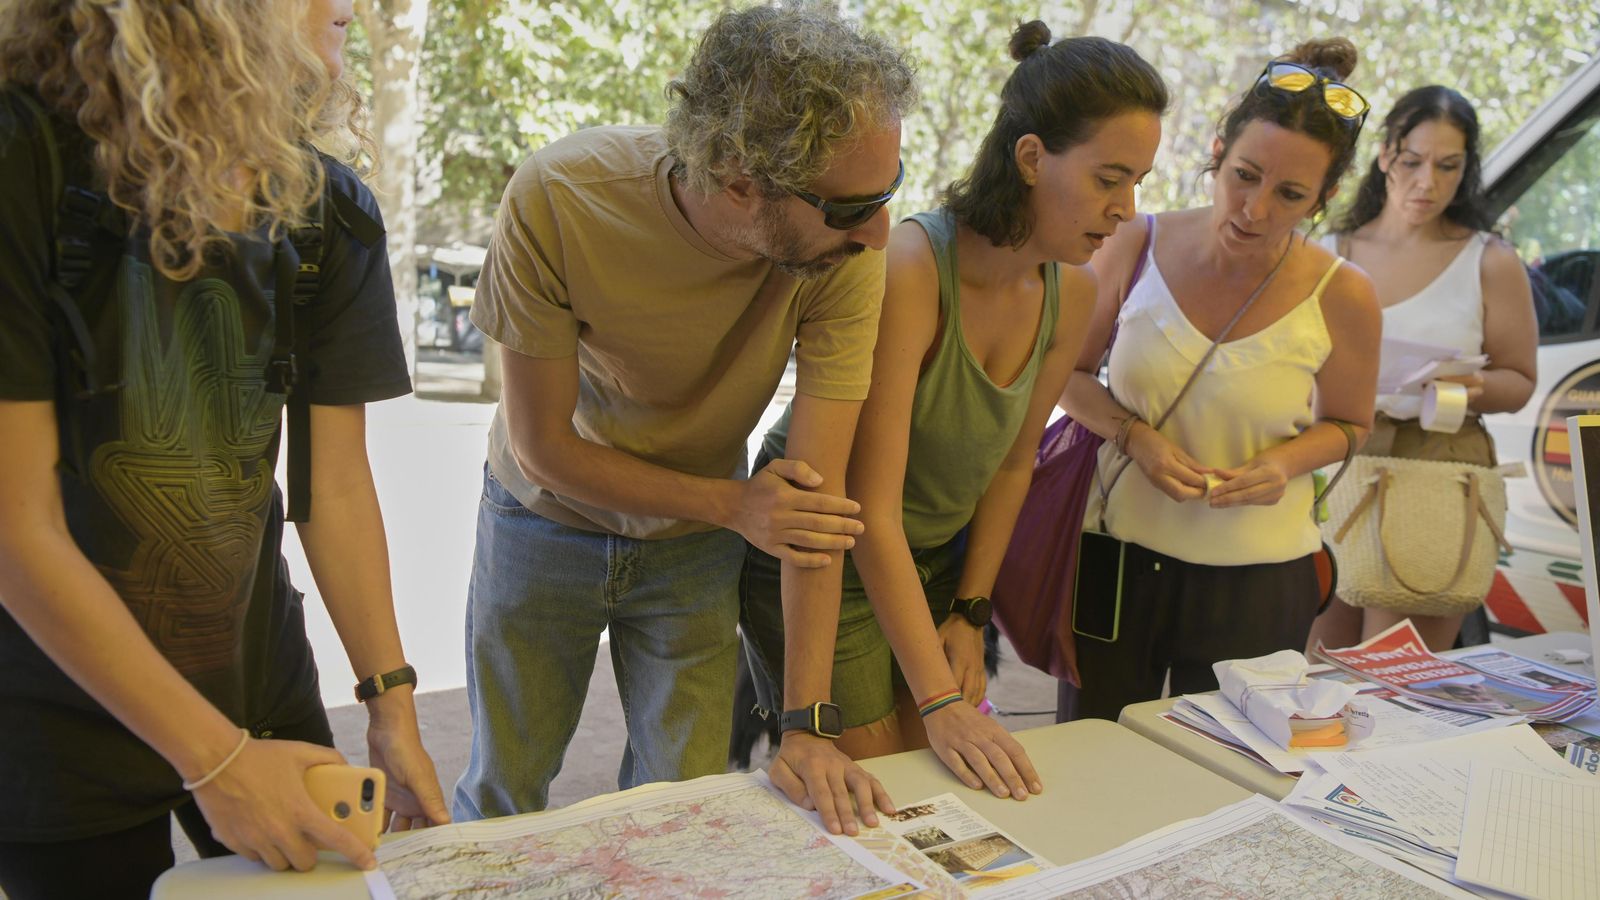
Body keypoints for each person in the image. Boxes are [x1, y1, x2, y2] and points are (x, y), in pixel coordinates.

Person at [0, 2, 448, 897]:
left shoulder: (328, 210)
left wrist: (391, 708)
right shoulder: (25, 159)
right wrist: (216, 763)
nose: (349, 9)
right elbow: (16, 529)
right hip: (55, 721)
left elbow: (335, 489)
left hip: (259, 687)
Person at [452, 5, 917, 837]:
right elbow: (543, 445)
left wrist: (808, 725)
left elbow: (811, 507)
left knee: (681, 809)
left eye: (889, 193)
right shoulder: (561, 197)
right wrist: (736, 506)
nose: (880, 232)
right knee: (504, 789)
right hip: (541, 517)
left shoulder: (842, 254)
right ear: (741, 181)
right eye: (853, 207)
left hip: (696, 543)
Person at [741, 23, 1166, 799]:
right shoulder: (912, 264)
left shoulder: (1072, 289)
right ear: (1031, 157)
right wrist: (939, 700)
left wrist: (971, 611)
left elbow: (1012, 465)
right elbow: (870, 504)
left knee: (955, 781)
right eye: (1110, 178)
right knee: (881, 791)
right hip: (834, 549)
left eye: (1138, 181)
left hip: (934, 559)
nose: (1125, 209)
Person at [1057, 38, 1382, 722]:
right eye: (1244, 175)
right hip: (1117, 561)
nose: (1254, 209)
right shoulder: (1133, 242)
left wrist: (1282, 464)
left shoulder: (1344, 292)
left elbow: (1352, 424)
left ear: (1323, 198)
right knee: (1091, 756)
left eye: (1289, 194)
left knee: (1233, 772)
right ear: (1217, 151)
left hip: (1261, 580)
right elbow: (1070, 377)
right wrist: (1136, 437)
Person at [1305, 86, 1537, 653]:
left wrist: (1469, 385)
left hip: (1436, 469)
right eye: (1412, 161)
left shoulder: (1490, 260)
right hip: (1333, 468)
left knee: (1395, 678)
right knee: (1313, 673)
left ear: (1467, 169)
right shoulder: (1327, 251)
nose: (1427, 182)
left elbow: (1519, 381)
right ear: (1385, 154)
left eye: (1447, 166)